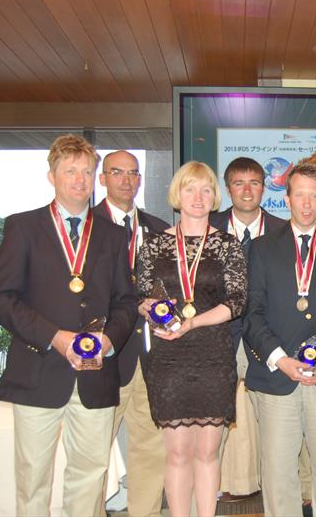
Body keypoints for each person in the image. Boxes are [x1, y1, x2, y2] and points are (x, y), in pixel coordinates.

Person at [0, 134, 137, 516]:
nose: (80, 180)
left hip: (95, 373)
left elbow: (126, 302)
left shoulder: (115, 235)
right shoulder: (23, 227)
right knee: (33, 478)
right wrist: (55, 337)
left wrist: (107, 341)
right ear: (51, 175)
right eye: (70, 171)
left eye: (87, 172)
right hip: (39, 371)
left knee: (91, 474)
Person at [243, 162, 316, 517]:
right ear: (287, 197)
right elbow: (252, 313)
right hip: (277, 375)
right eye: (300, 195)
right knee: (279, 473)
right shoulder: (262, 248)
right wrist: (281, 358)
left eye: (315, 195)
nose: (308, 203)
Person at [136, 161, 247, 517]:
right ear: (177, 194)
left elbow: (237, 301)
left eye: (205, 190)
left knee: (208, 452)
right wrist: (152, 309)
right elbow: (138, 295)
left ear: (214, 196)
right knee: (178, 452)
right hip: (169, 357)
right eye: (190, 189)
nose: (198, 197)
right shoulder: (154, 245)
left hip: (213, 354)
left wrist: (193, 322)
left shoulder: (228, 245)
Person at [92, 149, 169, 517]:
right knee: (94, 451)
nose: (126, 179)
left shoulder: (158, 228)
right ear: (102, 178)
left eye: (133, 173)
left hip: (152, 355)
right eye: (117, 172)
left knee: (150, 447)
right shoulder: (86, 224)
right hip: (104, 355)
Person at [208, 156, 286, 501]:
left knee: (273, 429)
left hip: (268, 338)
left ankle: (277, 500)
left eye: (254, 182)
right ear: (227, 189)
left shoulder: (284, 230)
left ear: (264, 186)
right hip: (216, 338)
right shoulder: (205, 227)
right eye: (238, 183)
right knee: (214, 429)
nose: (247, 190)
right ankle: (209, 499)